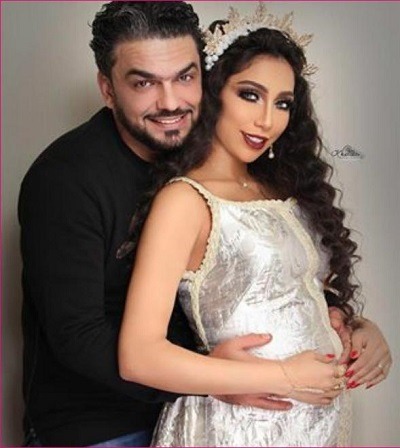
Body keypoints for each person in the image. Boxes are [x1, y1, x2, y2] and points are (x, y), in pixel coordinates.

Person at [18, 1, 391, 447]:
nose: (171, 102)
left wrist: (348, 323)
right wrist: (224, 376)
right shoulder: (68, 180)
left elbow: (257, 279)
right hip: (100, 423)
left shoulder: (212, 159)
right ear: (108, 89)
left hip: (253, 407)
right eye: (144, 82)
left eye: (184, 77)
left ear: (204, 78)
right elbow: (80, 337)